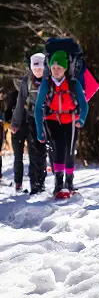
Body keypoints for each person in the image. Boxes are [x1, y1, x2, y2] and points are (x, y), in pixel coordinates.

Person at [35, 50, 88, 197]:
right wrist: (40, 130)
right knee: (59, 146)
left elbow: (84, 105)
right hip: (52, 119)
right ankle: (59, 185)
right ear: (50, 68)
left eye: (59, 68)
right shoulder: (46, 84)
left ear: (65, 69)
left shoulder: (73, 84)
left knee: (70, 150)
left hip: (71, 120)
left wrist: (81, 119)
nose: (56, 71)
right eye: (53, 68)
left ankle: (69, 183)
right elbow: (38, 108)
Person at [11, 53, 48, 194]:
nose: (37, 71)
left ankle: (47, 182)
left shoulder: (50, 78)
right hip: (33, 118)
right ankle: (36, 184)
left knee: (47, 152)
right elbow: (20, 102)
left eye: (40, 68)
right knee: (35, 152)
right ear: (31, 68)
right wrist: (15, 123)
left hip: (50, 118)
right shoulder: (27, 81)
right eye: (35, 68)